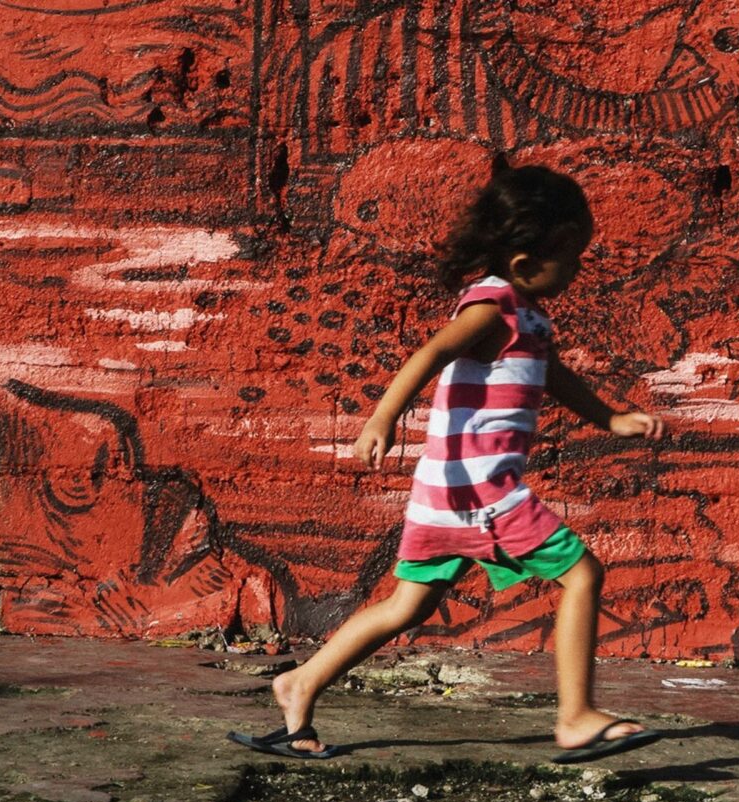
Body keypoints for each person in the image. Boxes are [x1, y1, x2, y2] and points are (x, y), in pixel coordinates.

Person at [229, 163, 667, 764]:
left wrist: (610, 418)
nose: (577, 269)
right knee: (582, 575)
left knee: (406, 606)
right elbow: (432, 351)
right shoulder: (493, 307)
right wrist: (383, 418)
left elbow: (553, 374)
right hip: (482, 490)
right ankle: (575, 719)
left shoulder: (528, 315)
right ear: (523, 262)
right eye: (570, 256)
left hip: (445, 496)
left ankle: (300, 683)